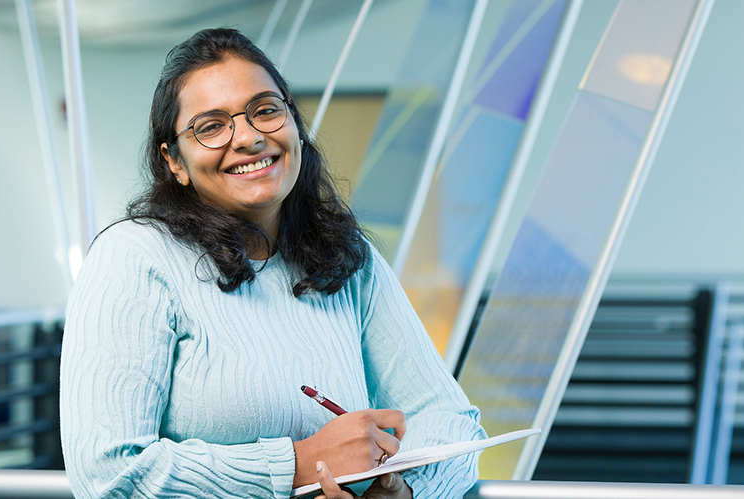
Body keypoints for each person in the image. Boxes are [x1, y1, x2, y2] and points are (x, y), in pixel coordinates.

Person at [59, 27, 486, 499]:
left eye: (265, 110)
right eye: (212, 126)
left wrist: (406, 492)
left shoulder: (348, 258)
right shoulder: (134, 258)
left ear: (293, 124)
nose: (247, 138)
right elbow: (108, 472)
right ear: (174, 161)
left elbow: (452, 423)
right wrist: (299, 464)